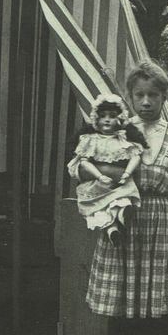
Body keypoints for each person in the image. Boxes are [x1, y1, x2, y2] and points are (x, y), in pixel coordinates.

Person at [72, 60, 168, 335]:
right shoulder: (113, 133)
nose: (146, 102)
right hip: (122, 221)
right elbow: (84, 167)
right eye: (139, 94)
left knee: (147, 306)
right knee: (118, 304)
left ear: (164, 98)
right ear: (128, 97)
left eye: (153, 95)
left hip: (159, 223)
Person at [67, 94, 147, 246]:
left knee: (122, 198)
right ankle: (112, 230)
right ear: (96, 119)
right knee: (99, 208)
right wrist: (98, 176)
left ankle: (122, 216)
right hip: (98, 183)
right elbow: (84, 162)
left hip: (118, 183)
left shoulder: (122, 140)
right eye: (103, 116)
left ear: (120, 119)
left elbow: (135, 157)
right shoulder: (90, 140)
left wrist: (127, 173)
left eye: (112, 116)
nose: (107, 119)